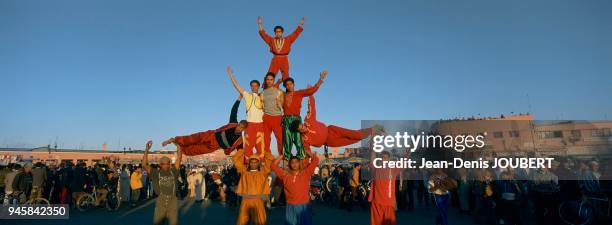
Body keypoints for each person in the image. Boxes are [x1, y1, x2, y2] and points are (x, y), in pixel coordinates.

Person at [292, 95, 377, 154]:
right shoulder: (303, 139)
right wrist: (310, 155)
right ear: (298, 131)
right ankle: (369, 132)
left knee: (353, 134)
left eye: (302, 126)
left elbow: (311, 108)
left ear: (302, 124)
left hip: (331, 130)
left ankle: (372, 130)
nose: (303, 129)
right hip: (329, 141)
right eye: (300, 129)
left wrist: (310, 95)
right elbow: (306, 149)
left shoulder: (308, 120)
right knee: (351, 140)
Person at [162, 96, 247, 156]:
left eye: (241, 128)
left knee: (196, 150)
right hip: (211, 135)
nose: (239, 128)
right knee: (192, 138)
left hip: (215, 146)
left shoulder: (239, 141)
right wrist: (239, 98)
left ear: (243, 130)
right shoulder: (233, 123)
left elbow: (241, 152)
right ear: (238, 124)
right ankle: (174, 140)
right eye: (239, 126)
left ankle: (181, 150)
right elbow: (234, 110)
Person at [282, 71, 328, 159]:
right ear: (285, 86)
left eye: (291, 84)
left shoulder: (299, 93)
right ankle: (287, 159)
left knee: (298, 140)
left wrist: (320, 79)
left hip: (296, 119)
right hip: (286, 119)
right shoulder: (282, 95)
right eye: (287, 85)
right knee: (287, 141)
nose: (289, 86)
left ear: (293, 84)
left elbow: (312, 90)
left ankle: (301, 159)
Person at [227, 66, 266, 160]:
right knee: (248, 147)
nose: (254, 87)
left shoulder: (263, 95)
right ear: (250, 87)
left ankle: (261, 170)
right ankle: (247, 169)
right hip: (249, 125)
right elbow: (236, 86)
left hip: (260, 124)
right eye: (252, 86)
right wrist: (231, 75)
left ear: (259, 86)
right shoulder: (247, 95)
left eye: (255, 85)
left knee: (260, 147)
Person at [271, 151, 319, 225]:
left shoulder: (305, 174)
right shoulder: (285, 176)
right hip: (290, 205)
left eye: (296, 162)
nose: (294, 164)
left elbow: (315, 160)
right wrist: (282, 155)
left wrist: (305, 150)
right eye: (292, 162)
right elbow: (273, 166)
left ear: (299, 163)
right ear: (289, 164)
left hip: (303, 205)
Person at [142, 140, 182, 225]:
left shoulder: (173, 171)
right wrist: (146, 150)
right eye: (164, 164)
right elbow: (144, 165)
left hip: (173, 200)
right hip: (161, 200)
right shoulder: (156, 173)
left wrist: (177, 145)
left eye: (168, 163)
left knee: (173, 223)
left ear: (170, 164)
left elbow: (179, 158)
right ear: (160, 164)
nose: (166, 165)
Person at [232, 148, 274, 225]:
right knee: (242, 222)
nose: (253, 164)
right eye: (252, 162)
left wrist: (264, 151)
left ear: (259, 163)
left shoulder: (263, 172)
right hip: (245, 200)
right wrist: (243, 150)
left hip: (258, 200)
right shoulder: (244, 171)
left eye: (255, 162)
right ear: (249, 163)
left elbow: (270, 159)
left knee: (260, 222)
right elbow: (235, 159)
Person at [258, 16, 305, 81]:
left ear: (282, 33)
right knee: (270, 74)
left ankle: (288, 90)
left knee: (286, 75)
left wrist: (300, 25)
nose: (278, 33)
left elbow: (295, 33)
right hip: (275, 59)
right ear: (275, 33)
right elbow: (264, 35)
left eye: (279, 31)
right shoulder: (271, 40)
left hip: (284, 58)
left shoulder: (288, 39)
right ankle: (266, 89)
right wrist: (260, 24)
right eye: (276, 32)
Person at [369, 150, 402, 225]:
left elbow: (405, 160)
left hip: (389, 203)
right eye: (382, 157)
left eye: (385, 158)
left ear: (389, 159)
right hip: (376, 202)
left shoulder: (393, 169)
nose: (383, 159)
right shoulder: (375, 169)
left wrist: (409, 151)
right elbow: (372, 156)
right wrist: (372, 142)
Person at [261, 72, 284, 156]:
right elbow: (261, 105)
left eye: (271, 79)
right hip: (266, 117)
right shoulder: (263, 93)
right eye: (268, 79)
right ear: (265, 81)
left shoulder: (279, 91)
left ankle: (282, 157)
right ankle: (267, 158)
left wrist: (280, 103)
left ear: (273, 80)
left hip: (277, 117)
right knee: (266, 139)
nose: (269, 81)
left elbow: (283, 104)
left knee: (280, 139)